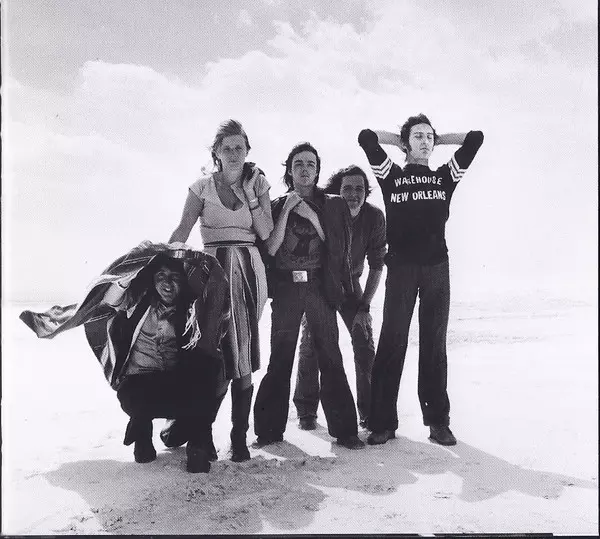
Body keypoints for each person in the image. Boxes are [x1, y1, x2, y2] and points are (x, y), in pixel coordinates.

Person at [20, 242, 230, 473]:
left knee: (210, 367)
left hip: (174, 385)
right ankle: (142, 433)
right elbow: (111, 298)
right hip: (140, 385)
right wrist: (130, 267)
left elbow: (214, 302)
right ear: (152, 280)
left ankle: (198, 446)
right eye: (161, 276)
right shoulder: (138, 302)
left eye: (174, 278)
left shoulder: (191, 311)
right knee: (138, 410)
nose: (167, 284)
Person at [357, 114, 484, 446]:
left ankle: (438, 423)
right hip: (401, 268)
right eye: (418, 136)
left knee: (434, 343)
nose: (425, 141)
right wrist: (400, 141)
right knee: (392, 341)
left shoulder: (444, 177)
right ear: (406, 142)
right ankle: (382, 423)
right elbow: (367, 136)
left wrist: (439, 140)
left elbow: (475, 138)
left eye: (429, 136)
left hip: (436, 267)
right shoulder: (391, 176)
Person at [167, 119, 273, 462]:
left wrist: (252, 195)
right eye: (227, 148)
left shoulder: (258, 184)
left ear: (247, 150)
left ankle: (237, 439)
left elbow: (267, 232)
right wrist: (165, 261)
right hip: (211, 273)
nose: (233, 153)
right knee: (215, 351)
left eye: (239, 147)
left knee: (241, 349)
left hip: (250, 271)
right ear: (216, 152)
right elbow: (183, 229)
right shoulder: (201, 188)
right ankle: (203, 435)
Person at [253, 142, 365, 450]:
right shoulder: (275, 205)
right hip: (287, 288)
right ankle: (268, 432)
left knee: (330, 355)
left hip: (319, 286)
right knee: (280, 357)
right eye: (299, 164)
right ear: (289, 171)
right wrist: (288, 210)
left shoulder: (333, 205)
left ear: (317, 171)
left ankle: (345, 431)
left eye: (311, 164)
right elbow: (270, 249)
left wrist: (313, 218)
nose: (305, 169)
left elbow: (340, 247)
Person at [293, 165, 386, 430]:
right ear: (337, 192)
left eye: (359, 189)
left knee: (364, 341)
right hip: (319, 285)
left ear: (366, 192)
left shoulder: (374, 217)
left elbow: (377, 265)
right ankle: (306, 411)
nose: (353, 194)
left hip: (350, 284)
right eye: (347, 189)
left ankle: (368, 412)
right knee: (310, 342)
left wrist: (364, 307)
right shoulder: (325, 211)